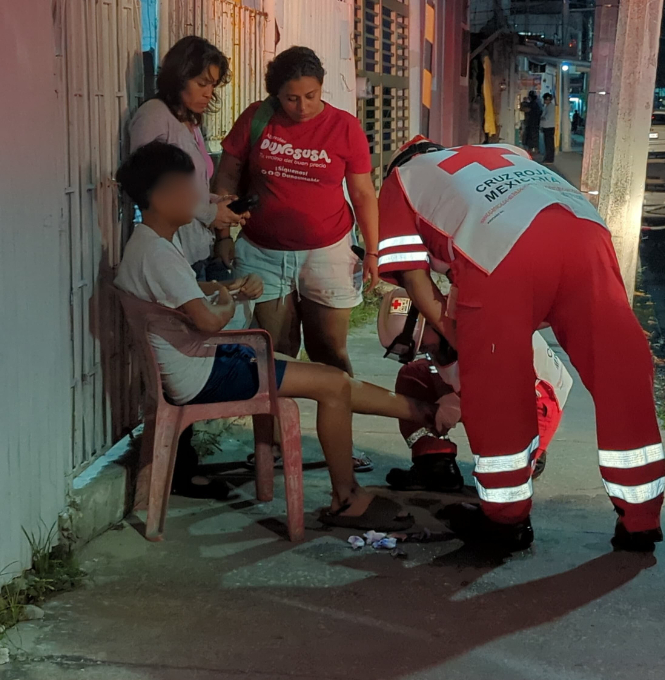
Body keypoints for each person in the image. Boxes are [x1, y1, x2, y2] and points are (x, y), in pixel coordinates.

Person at [115, 141, 440, 531]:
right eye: (191, 188)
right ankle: (347, 497)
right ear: (163, 196)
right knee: (333, 383)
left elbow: (188, 294)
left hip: (204, 363)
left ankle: (424, 413)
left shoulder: (146, 245)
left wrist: (226, 288)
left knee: (330, 379)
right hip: (204, 371)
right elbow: (208, 322)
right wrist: (227, 301)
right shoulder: (158, 253)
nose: (202, 198)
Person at [375, 136, 665, 552]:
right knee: (621, 373)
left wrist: (457, 334)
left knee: (498, 388)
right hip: (586, 234)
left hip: (502, 250)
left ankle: (505, 520)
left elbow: (413, 277)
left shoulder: (399, 181)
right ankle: (642, 519)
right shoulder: (506, 152)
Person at [126, 36, 249, 501]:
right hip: (173, 246)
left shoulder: (187, 122)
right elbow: (160, 186)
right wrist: (206, 212)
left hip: (192, 245)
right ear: (179, 77)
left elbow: (194, 185)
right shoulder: (154, 118)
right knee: (183, 352)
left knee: (193, 345)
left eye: (213, 86)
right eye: (201, 82)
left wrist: (218, 208)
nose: (208, 94)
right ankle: (178, 467)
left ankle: (185, 460)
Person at [215, 46, 378, 378]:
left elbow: (362, 193)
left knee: (329, 352)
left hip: (328, 252)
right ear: (276, 93)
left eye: (311, 95)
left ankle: (336, 429)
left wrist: (374, 251)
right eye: (291, 99)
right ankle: (274, 431)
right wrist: (222, 235)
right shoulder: (257, 117)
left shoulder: (344, 127)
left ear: (321, 86)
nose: (302, 107)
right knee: (273, 356)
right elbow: (227, 175)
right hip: (263, 254)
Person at [376, 288, 572, 492]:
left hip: (533, 399)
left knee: (499, 486)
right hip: (486, 385)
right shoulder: (441, 330)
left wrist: (457, 401)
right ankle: (434, 463)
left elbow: (505, 389)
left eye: (422, 345)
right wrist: (447, 394)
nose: (424, 351)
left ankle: (529, 454)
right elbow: (443, 367)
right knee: (413, 376)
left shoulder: (481, 328)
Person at [540, 93, 557, 163]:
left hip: (549, 127)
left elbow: (546, 118)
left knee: (549, 144)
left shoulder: (551, 107)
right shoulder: (546, 107)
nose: (544, 101)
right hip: (546, 127)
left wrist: (542, 118)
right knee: (547, 144)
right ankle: (547, 157)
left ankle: (550, 158)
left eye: (545, 100)